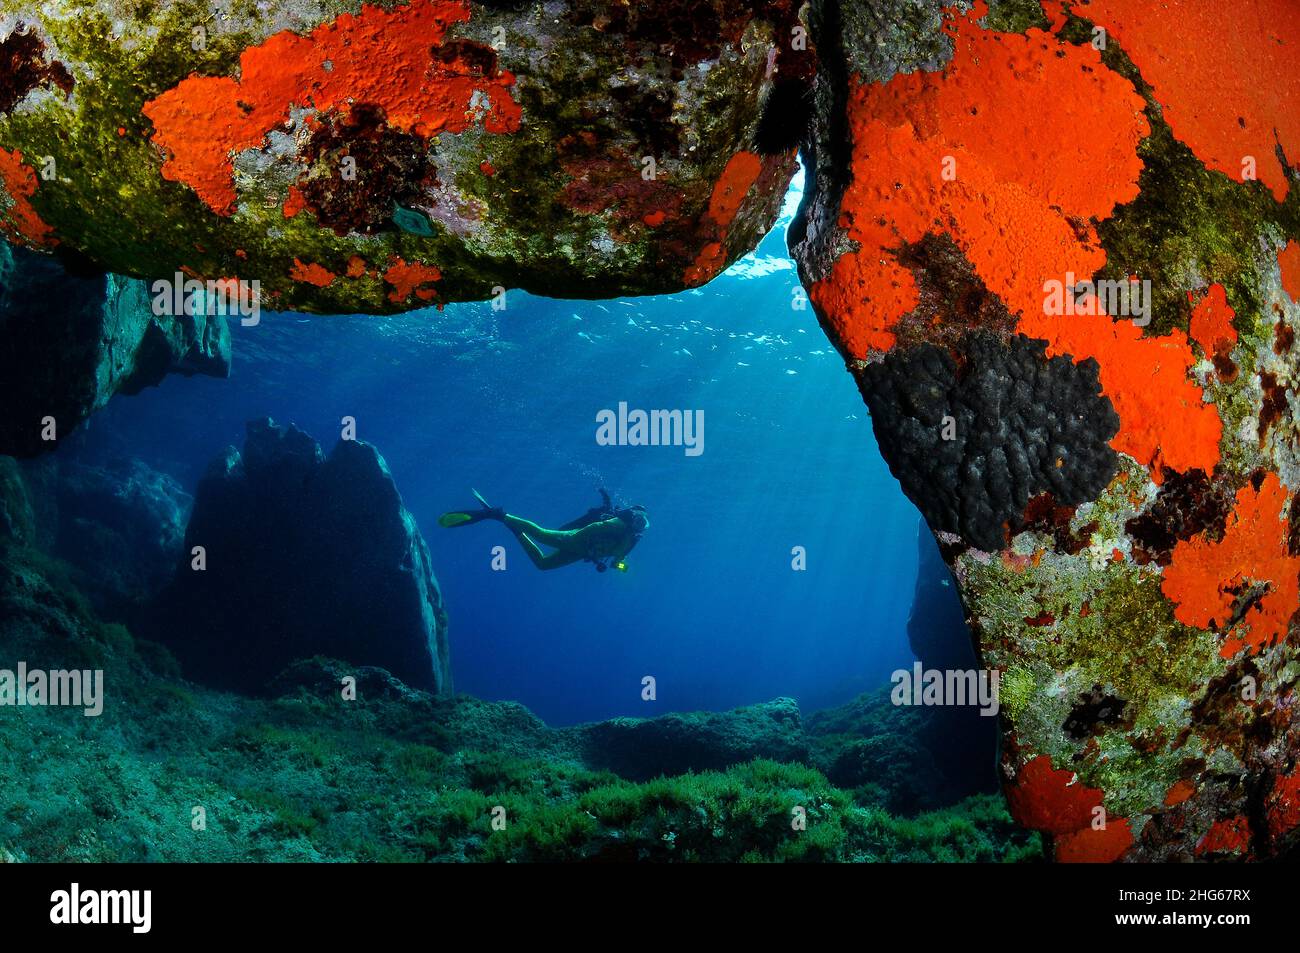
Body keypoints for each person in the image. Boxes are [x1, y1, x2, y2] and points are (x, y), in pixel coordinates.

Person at [439, 489, 649, 572]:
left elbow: (617, 561)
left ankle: (515, 530)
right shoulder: (618, 525)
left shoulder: (631, 540)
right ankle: (500, 514)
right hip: (578, 542)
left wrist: (620, 565)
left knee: (543, 564)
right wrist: (581, 539)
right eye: (638, 521)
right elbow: (596, 526)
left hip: (583, 552)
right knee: (541, 534)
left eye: (642, 525)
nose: (639, 526)